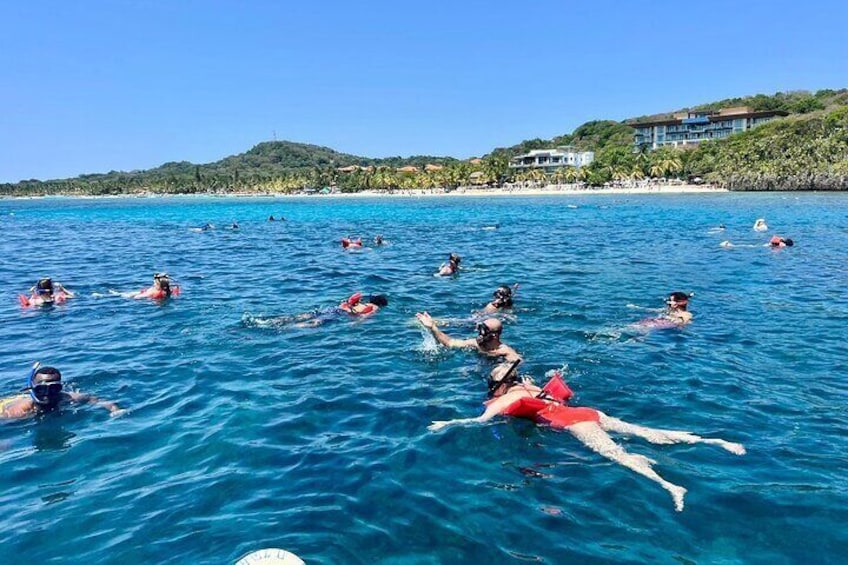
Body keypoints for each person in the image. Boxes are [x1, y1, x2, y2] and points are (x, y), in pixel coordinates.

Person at [428, 362, 745, 512]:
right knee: (648, 433)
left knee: (618, 456)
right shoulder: (531, 386)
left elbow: (480, 420)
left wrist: (446, 423)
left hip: (572, 424)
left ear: (497, 385)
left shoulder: (504, 397)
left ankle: (670, 486)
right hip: (590, 412)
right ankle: (714, 441)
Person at [0, 363, 125, 419]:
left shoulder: (69, 398)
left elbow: (99, 401)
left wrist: (115, 410)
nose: (47, 394)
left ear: (60, 388)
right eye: (41, 389)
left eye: (54, 389)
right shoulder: (18, 411)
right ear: (32, 389)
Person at [416, 312, 521, 362]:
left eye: (483, 331)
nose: (479, 334)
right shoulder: (475, 343)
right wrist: (433, 327)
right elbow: (450, 342)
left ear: (494, 336)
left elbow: (518, 364)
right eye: (479, 329)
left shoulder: (506, 352)